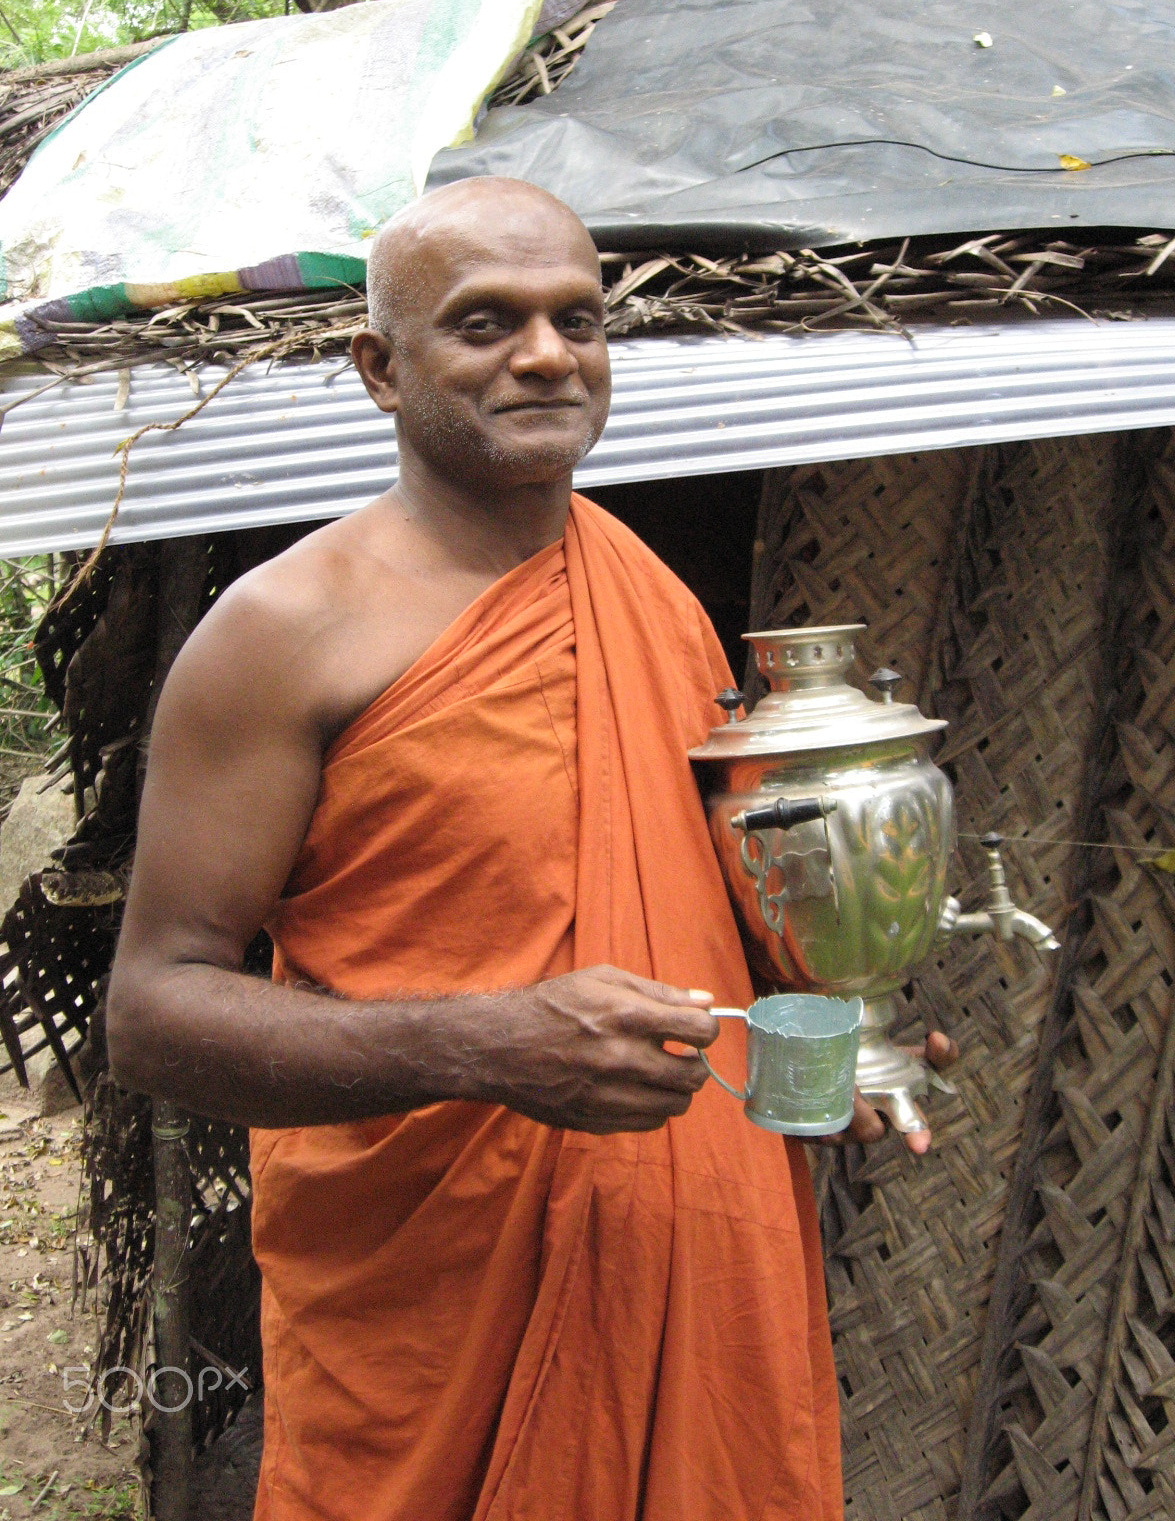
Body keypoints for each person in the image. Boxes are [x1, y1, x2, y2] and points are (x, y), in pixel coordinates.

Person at [108, 176, 952, 1521]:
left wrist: (811, 1036)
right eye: (486, 322)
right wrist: (485, 1047)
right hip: (429, 1311)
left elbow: (679, 915)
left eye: (579, 319)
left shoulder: (657, 604)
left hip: (690, 1274)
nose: (548, 354)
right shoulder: (281, 635)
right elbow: (154, 1016)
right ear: (381, 369)